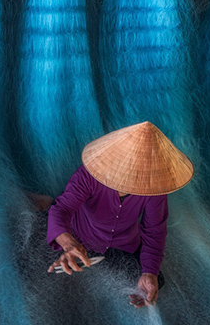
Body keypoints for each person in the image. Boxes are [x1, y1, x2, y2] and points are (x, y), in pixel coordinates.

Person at [46, 121, 193, 308]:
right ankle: (44, 203)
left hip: (124, 244)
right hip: (82, 238)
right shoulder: (89, 174)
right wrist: (69, 244)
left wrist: (149, 273)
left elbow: (154, 231)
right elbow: (62, 210)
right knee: (62, 276)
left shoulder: (154, 189)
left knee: (153, 281)